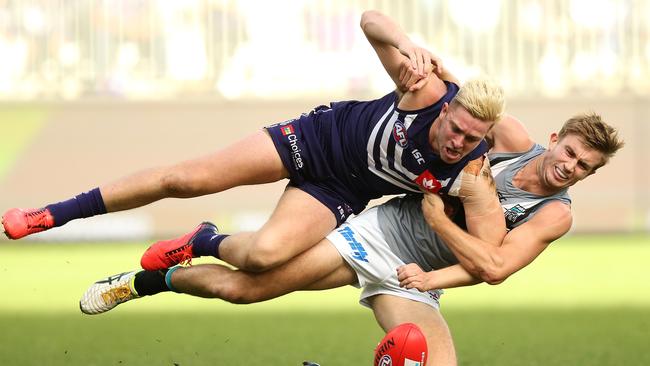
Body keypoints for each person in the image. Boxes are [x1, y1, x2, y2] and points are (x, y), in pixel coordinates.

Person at [79, 111, 623, 366]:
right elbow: (458, 102)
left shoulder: (554, 215)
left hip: (419, 279)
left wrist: (434, 259)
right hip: (376, 239)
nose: (569, 167)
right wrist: (417, 64)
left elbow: (496, 268)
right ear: (555, 140)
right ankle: (148, 280)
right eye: (570, 152)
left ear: (589, 175)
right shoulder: (513, 142)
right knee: (245, 288)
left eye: (584, 167)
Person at [1, 10, 504, 274]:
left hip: (342, 192)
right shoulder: (424, 89)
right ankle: (49, 214)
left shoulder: (474, 168)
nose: (458, 141)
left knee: (264, 256)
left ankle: (203, 241)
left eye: (471, 138)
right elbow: (369, 20)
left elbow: (495, 239)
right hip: (314, 139)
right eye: (455, 127)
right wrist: (409, 45)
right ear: (448, 105)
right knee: (185, 178)